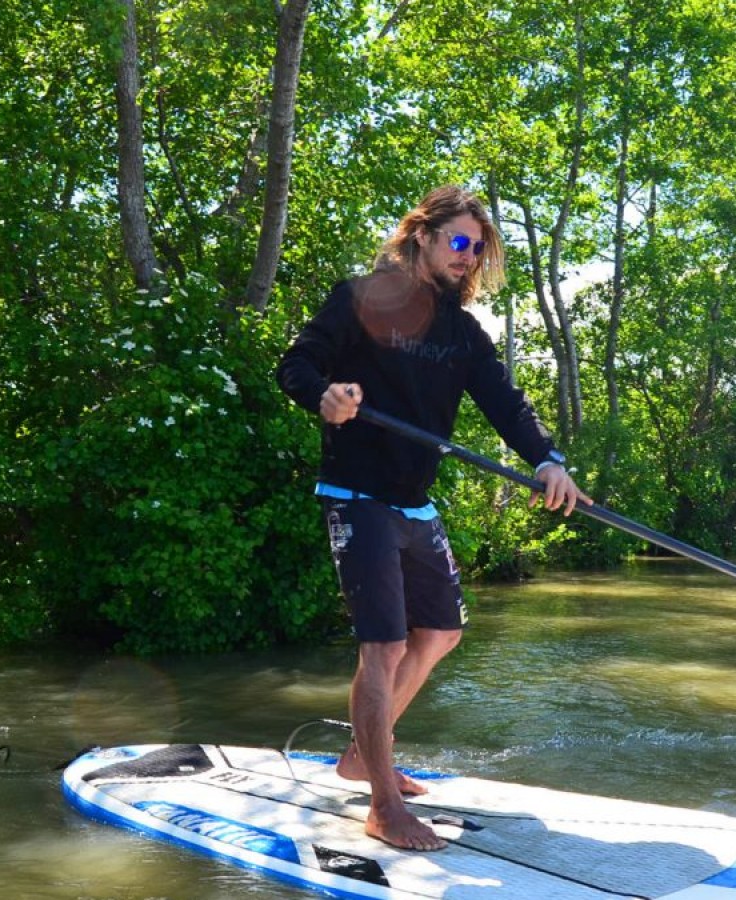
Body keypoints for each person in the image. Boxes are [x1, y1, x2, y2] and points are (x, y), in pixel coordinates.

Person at [276, 185, 590, 852]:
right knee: (384, 646)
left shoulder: (462, 335)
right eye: (458, 242)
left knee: (441, 632)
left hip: (416, 501)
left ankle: (366, 756)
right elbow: (296, 365)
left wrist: (547, 460)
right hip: (356, 495)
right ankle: (383, 806)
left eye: (477, 251)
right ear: (419, 234)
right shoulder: (357, 299)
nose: (468, 258)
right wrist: (324, 396)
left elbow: (506, 403)